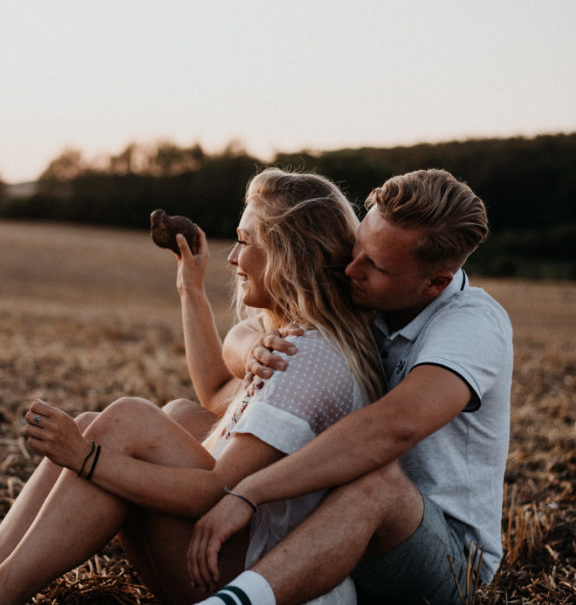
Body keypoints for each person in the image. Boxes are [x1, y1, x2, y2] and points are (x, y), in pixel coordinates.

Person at [0, 168, 385, 605]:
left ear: (288, 253)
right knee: (152, 416)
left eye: (245, 241)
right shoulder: (294, 342)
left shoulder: (306, 358)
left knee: (124, 422)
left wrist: (87, 460)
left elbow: (220, 492)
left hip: (260, 582)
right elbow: (215, 392)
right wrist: (189, 289)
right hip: (236, 554)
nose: (233, 256)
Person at [191, 168, 513, 605]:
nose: (350, 267)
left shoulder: (471, 326)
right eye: (358, 245)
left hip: (444, 562)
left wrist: (249, 491)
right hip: (337, 529)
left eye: (375, 265)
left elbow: (393, 428)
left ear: (434, 283)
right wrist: (252, 347)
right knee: (183, 420)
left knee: (376, 482)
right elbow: (248, 339)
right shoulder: (371, 295)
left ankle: (237, 601)